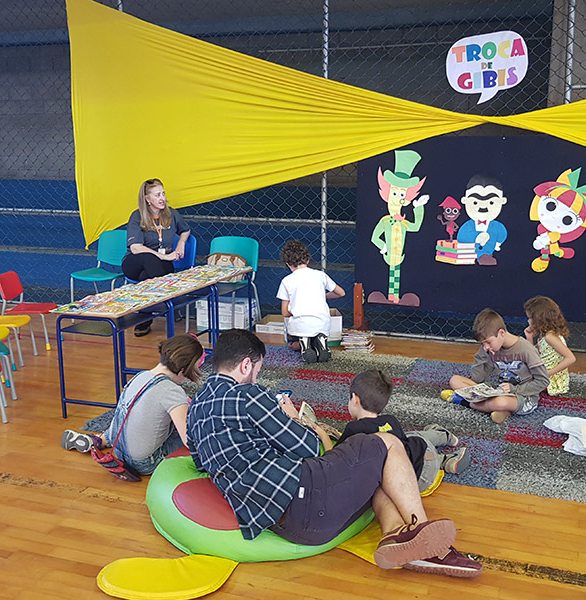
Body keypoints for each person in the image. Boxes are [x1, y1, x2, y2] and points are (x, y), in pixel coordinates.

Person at [186, 329, 482, 578]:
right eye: (257, 371)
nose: (256, 378)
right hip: (308, 498)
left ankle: (395, 534)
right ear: (245, 365)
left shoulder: (195, 407)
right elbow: (307, 447)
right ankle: (425, 536)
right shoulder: (249, 395)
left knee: (375, 469)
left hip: (282, 523)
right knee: (387, 443)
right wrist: (293, 420)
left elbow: (199, 461)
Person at [61, 334, 203, 476]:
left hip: (119, 451)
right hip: (145, 463)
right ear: (183, 370)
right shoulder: (172, 391)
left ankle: (101, 439)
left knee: (132, 416)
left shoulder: (140, 376)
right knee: (193, 430)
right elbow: (188, 440)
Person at [338, 369, 470, 493]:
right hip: (423, 457)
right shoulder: (390, 420)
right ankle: (444, 437)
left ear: (354, 399)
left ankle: (446, 460)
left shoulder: (353, 429)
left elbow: (335, 457)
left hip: (414, 483)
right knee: (409, 438)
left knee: (400, 447)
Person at [443, 309, 549, 424]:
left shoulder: (526, 349)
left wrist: (515, 389)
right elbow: (478, 379)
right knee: (455, 380)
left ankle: (463, 401)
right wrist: (483, 354)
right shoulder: (492, 349)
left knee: (499, 402)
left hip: (524, 397)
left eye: (488, 342)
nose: (486, 347)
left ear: (501, 333)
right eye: (483, 343)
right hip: (500, 391)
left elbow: (543, 381)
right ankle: (500, 411)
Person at [122, 178, 191, 336]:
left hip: (159, 268)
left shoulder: (171, 213)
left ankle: (144, 318)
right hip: (136, 262)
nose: (162, 198)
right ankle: (170, 301)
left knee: (146, 277)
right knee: (149, 258)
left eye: (163, 194)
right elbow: (135, 247)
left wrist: (181, 244)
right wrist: (165, 257)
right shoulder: (137, 216)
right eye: (157, 195)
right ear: (147, 199)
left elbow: (185, 230)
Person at [277, 239, 345, 363]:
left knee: (292, 343)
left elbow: (285, 312)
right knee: (317, 331)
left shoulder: (286, 281)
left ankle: (303, 342)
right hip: (322, 324)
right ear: (308, 260)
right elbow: (341, 293)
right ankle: (319, 342)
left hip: (300, 326)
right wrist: (323, 295)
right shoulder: (321, 275)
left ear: (288, 264)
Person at [523, 296, 575, 396]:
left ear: (539, 319)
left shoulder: (550, 337)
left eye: (530, 318)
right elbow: (534, 355)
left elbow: (571, 358)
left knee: (521, 378)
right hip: (543, 373)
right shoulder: (544, 334)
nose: (528, 321)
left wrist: (549, 372)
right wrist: (529, 337)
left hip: (551, 380)